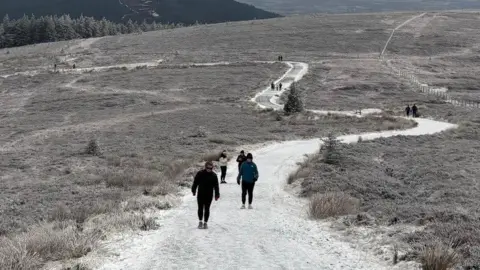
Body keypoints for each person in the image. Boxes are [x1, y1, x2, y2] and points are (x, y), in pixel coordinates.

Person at [192, 161, 220, 229]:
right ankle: (200, 222)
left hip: (209, 195)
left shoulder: (214, 175)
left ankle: (205, 223)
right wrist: (193, 190)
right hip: (201, 194)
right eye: (208, 168)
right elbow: (195, 182)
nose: (209, 169)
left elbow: (216, 186)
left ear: (212, 168)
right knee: (200, 208)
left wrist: (217, 194)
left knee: (207, 209)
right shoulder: (200, 173)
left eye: (210, 168)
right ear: (205, 167)